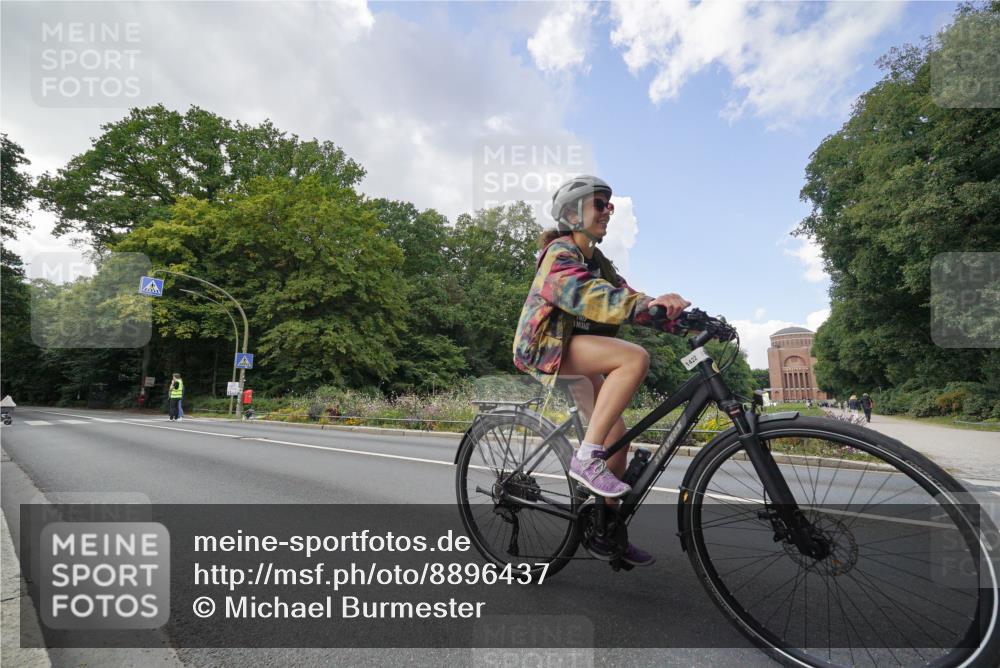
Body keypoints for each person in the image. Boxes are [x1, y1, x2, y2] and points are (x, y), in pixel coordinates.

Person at [512, 175, 689, 567]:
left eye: (610, 204)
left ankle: (606, 531)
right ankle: (586, 458)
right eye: (600, 204)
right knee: (633, 358)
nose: (609, 210)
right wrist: (646, 306)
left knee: (617, 439)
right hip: (546, 347)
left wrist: (682, 319)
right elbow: (591, 297)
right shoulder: (559, 254)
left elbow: (627, 298)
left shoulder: (599, 262)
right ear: (573, 214)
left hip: (576, 349)